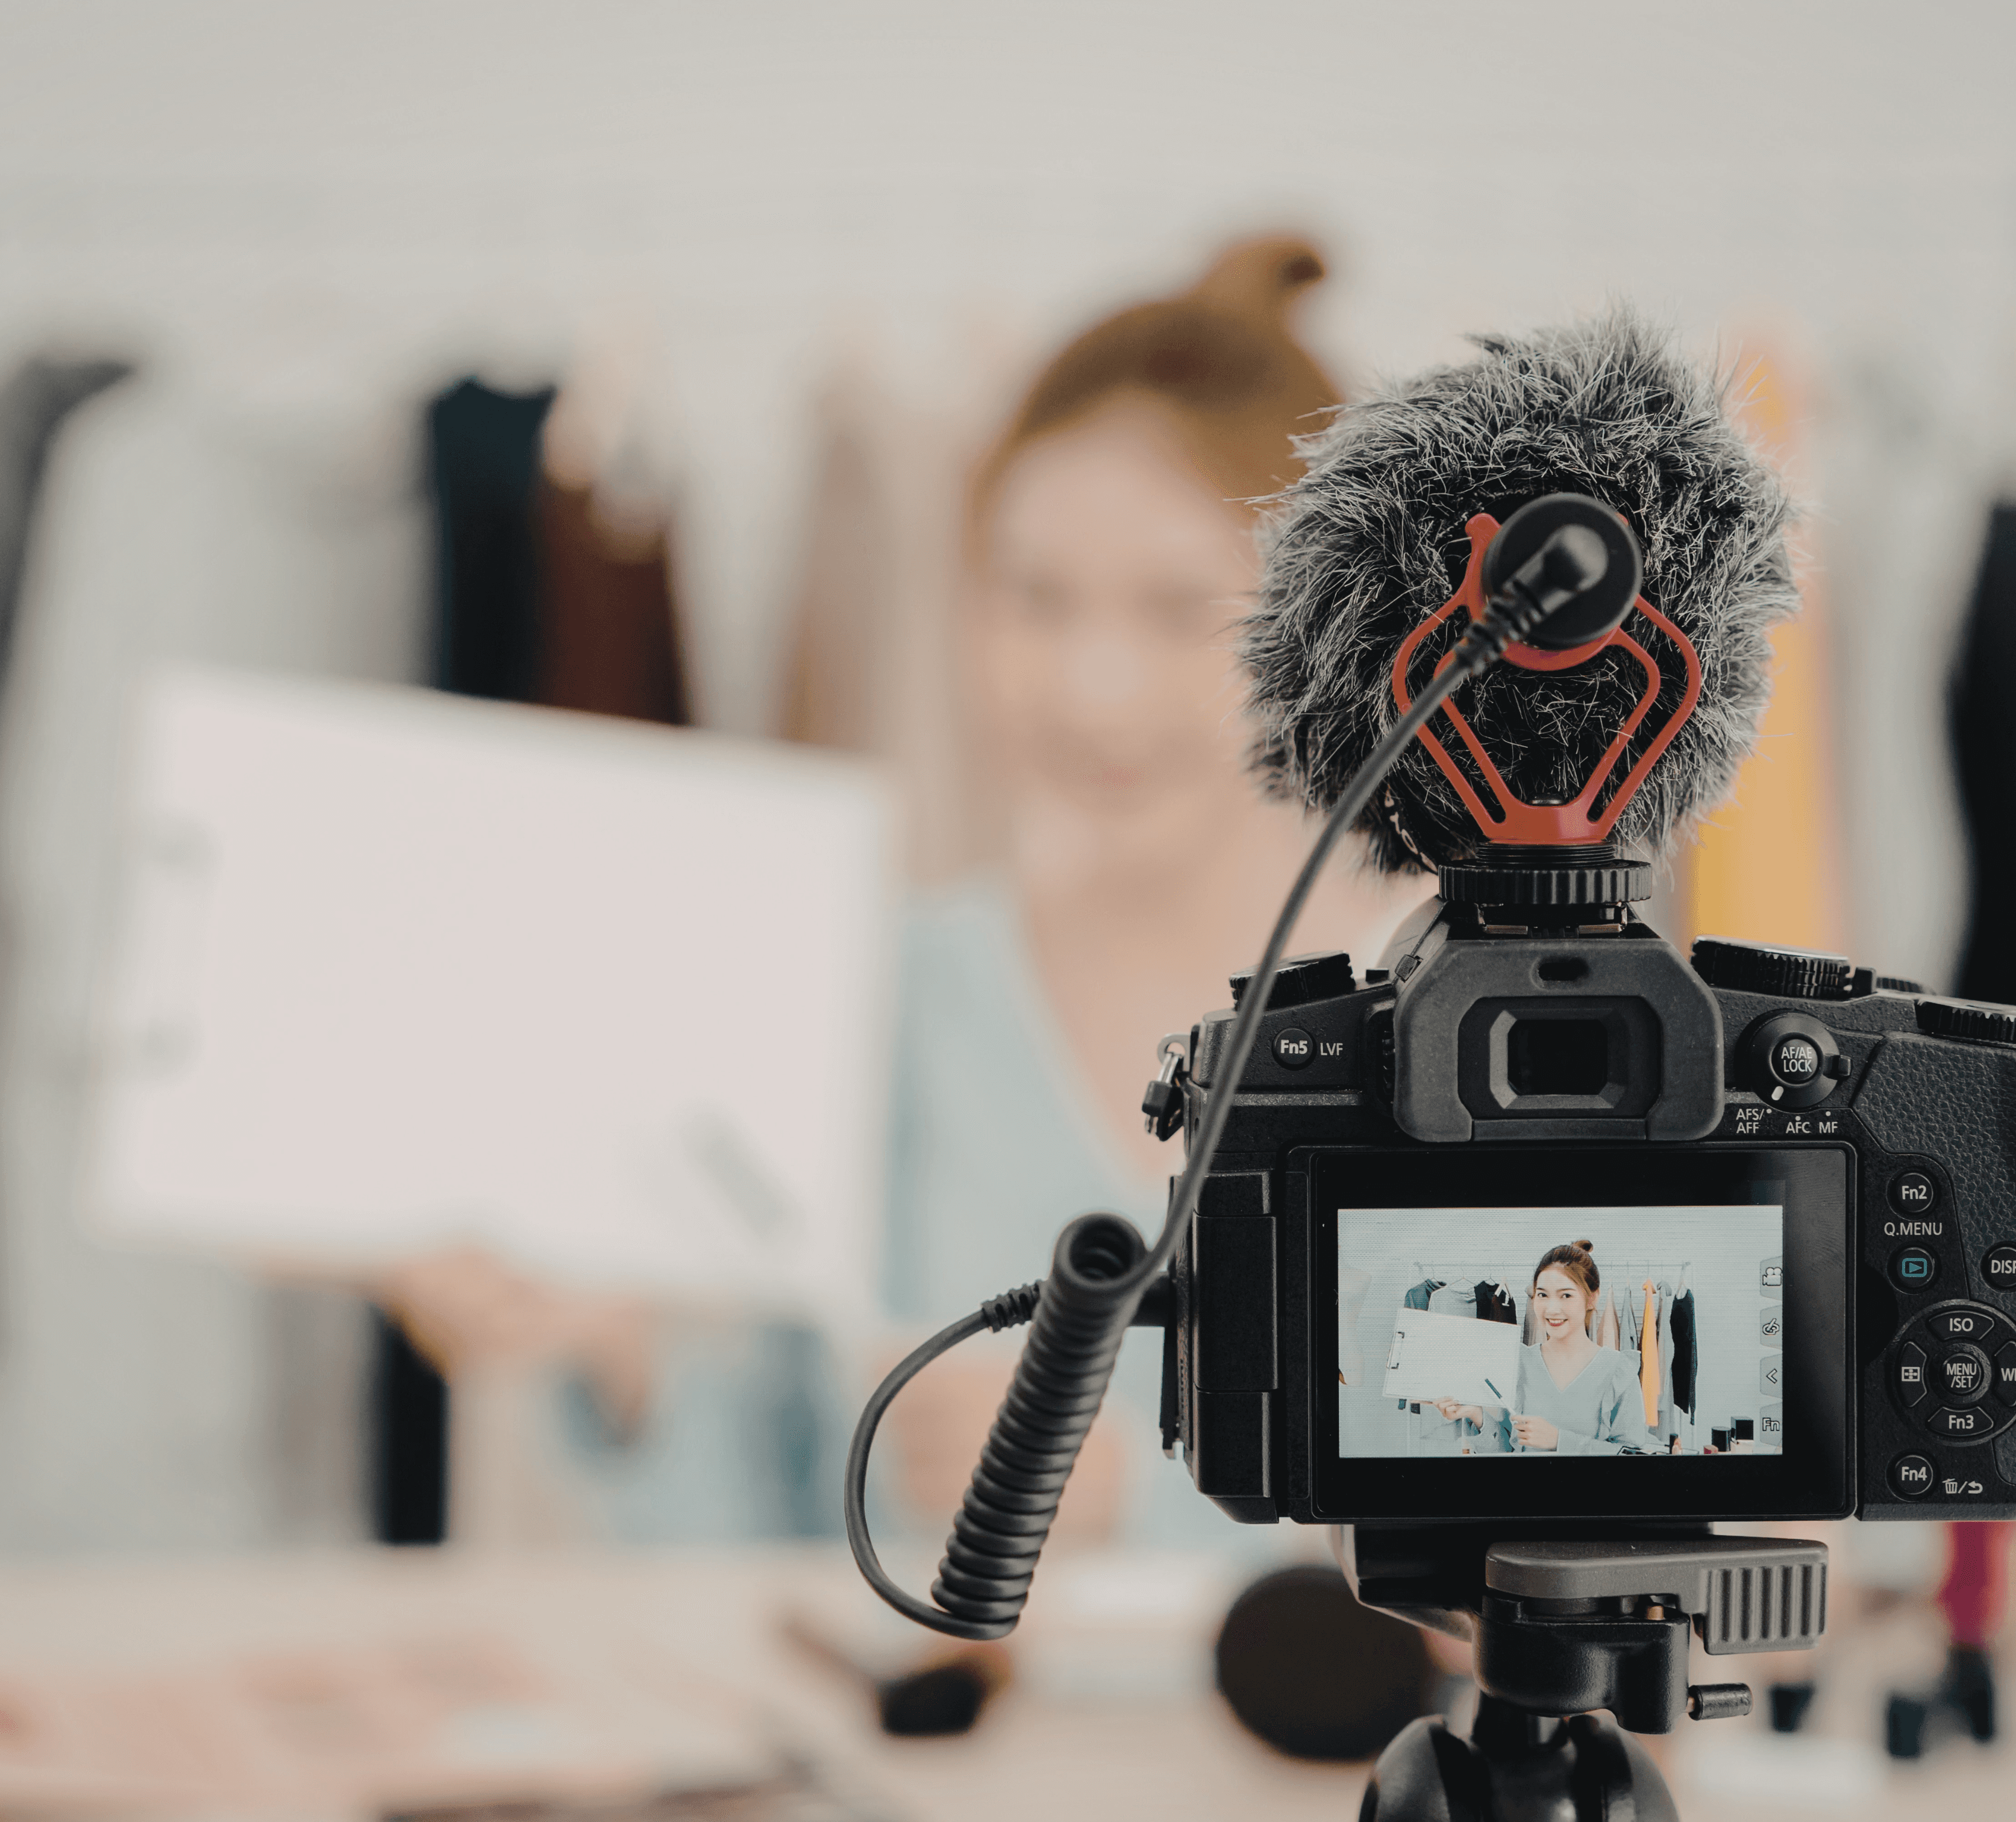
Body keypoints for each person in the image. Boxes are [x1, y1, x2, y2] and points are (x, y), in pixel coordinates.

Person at [383, 234, 1427, 1545]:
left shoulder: (1463, 1020)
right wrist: (621, 1357)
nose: (1090, 685)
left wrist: (1141, 1499)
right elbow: (768, 1524)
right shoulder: (895, 992)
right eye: (1033, 598)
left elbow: (1543, 1521)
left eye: (1178, 611)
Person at [1443, 1242, 1650, 1456]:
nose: (1552, 1309)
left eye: (1566, 1296)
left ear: (1592, 1298)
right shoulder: (1520, 1362)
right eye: (1543, 1295)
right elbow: (1506, 1450)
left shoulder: (1619, 1370)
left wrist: (1559, 1440)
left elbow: (1632, 1456)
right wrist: (1478, 1416)